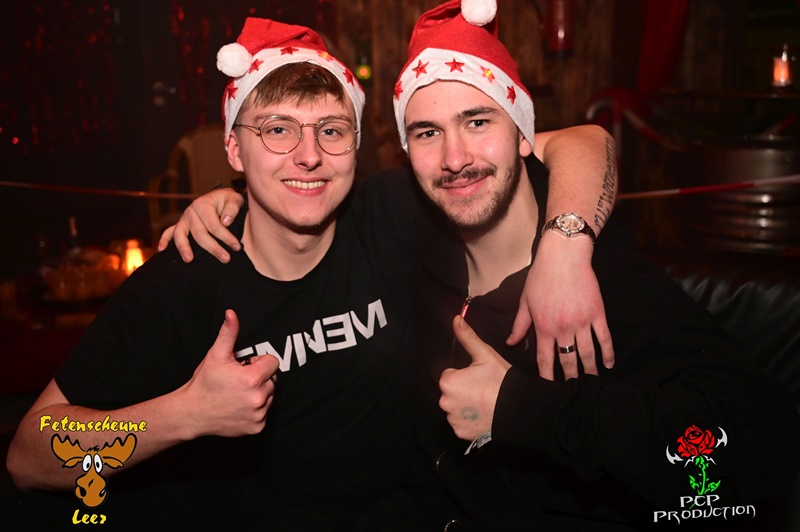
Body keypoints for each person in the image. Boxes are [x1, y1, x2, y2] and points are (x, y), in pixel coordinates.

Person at [4, 15, 618, 529]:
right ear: (234, 149)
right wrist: (187, 413)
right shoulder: (186, 274)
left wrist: (565, 248)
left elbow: (582, 141)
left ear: (356, 145)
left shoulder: (388, 216)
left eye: (331, 131)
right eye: (277, 130)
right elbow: (29, 455)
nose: (309, 155)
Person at [384, 1, 799, 530]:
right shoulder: (414, 244)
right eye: (427, 133)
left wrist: (520, 408)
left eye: (478, 121)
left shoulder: (596, 281)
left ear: (525, 135)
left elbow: (758, 448)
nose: (455, 157)